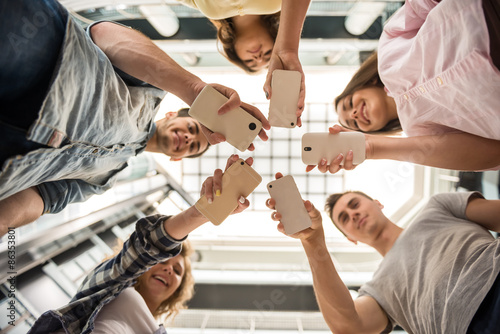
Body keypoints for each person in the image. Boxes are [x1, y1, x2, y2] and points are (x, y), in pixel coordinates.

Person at [0, 0, 270, 237]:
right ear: (170, 114)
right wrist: (196, 92)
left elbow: (43, 198)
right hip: (34, 54)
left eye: (192, 146)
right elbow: (104, 34)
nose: (188, 138)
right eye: (191, 128)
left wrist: (4, 222)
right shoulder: (151, 91)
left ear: (177, 159)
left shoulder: (103, 180)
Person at [27, 154, 253, 334]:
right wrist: (202, 212)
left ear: (178, 289)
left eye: (176, 271)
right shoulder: (111, 285)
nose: (168, 269)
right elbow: (148, 245)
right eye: (166, 262)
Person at [267, 173, 500, 333]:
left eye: (355, 204)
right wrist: (313, 240)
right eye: (344, 218)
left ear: (378, 203)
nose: (353, 214)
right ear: (351, 238)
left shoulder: (437, 207)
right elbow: (349, 327)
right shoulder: (377, 289)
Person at [313, 0, 500, 173]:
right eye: (354, 125)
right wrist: (370, 147)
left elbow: (421, 5)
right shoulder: (419, 134)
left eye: (348, 104)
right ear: (371, 131)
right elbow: (494, 153)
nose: (354, 114)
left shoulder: (388, 55)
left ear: (362, 85)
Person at [176, 0, 310, 126]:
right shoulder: (281, 4)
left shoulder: (204, 7)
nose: (258, 58)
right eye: (268, 54)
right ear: (273, 40)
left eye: (249, 61)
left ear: (235, 52)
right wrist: (287, 50)